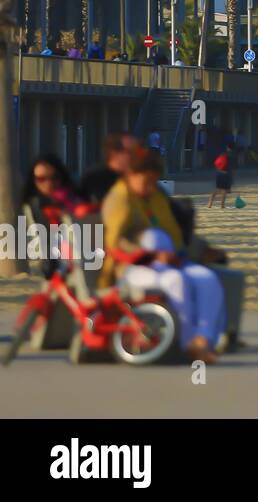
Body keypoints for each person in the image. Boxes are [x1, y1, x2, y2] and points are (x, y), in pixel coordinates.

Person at [100, 148, 228, 364]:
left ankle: (203, 340)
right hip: (132, 267)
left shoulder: (156, 196)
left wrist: (199, 252)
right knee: (176, 280)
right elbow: (114, 243)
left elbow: (175, 236)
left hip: (169, 262)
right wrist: (153, 256)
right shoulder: (119, 198)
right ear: (130, 174)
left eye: (154, 181)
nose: (150, 186)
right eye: (146, 180)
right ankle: (186, 343)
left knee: (207, 279)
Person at [79, 133, 141, 204]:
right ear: (114, 153)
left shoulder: (139, 176)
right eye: (131, 151)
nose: (137, 155)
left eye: (138, 151)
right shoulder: (94, 178)